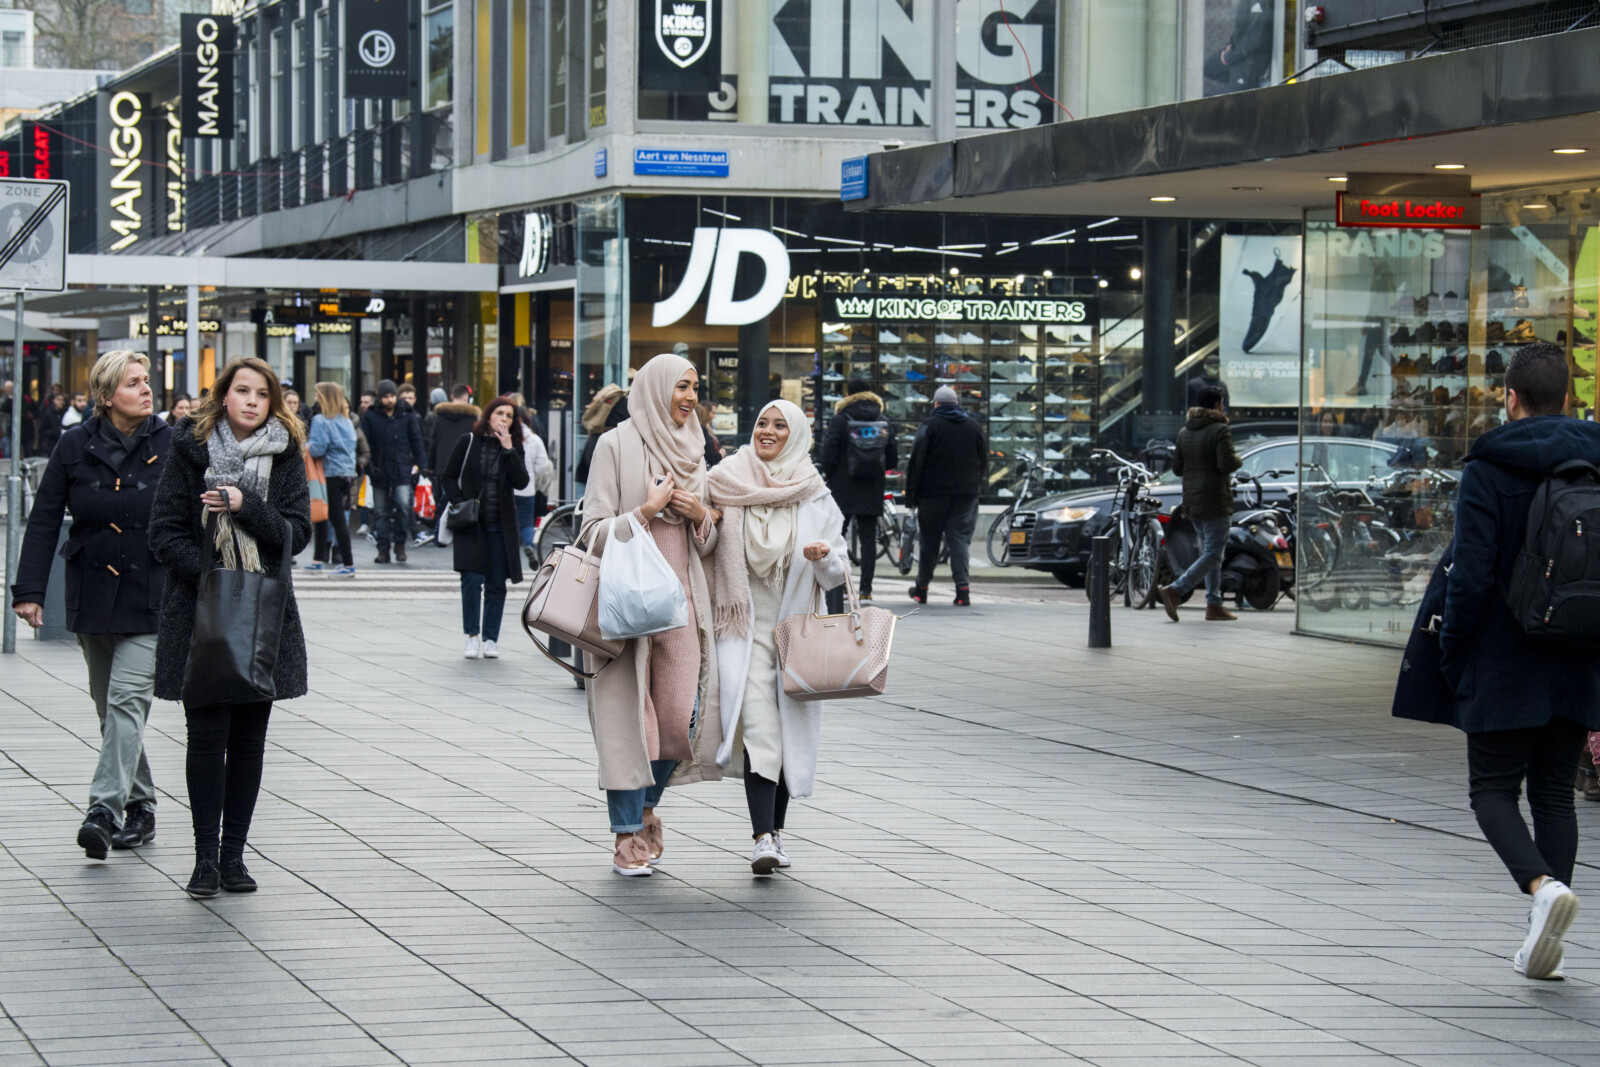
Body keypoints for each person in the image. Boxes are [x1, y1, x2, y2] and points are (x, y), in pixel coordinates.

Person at [1400, 342, 1600, 980]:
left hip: (1503, 653)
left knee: (1491, 790)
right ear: (1567, 397)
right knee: (1554, 792)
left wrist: (1452, 650)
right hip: (1579, 649)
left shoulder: (1490, 465)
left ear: (1510, 397)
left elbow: (1471, 574)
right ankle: (1546, 929)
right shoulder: (1595, 459)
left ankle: (1542, 889)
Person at [149, 356, 311, 898]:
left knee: (248, 741)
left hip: (264, 613)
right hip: (201, 613)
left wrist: (247, 507)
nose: (250, 402)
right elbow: (164, 531)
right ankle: (203, 860)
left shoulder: (286, 452)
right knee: (206, 736)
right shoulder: (189, 447)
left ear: (273, 402)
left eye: (261, 395)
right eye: (241, 391)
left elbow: (297, 533)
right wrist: (211, 579)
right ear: (224, 396)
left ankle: (234, 856)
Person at [10, 351, 170, 860]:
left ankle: (104, 810)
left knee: (126, 701)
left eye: (147, 381)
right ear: (105, 397)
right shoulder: (73, 445)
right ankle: (142, 806)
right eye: (133, 384)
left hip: (153, 596)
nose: (146, 390)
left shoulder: (175, 444)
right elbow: (43, 520)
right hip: (92, 591)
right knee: (110, 709)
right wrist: (29, 591)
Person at [577, 353, 724, 876]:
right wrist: (643, 511)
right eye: (681, 387)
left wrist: (698, 514)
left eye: (694, 387)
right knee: (627, 724)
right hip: (623, 606)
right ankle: (625, 837)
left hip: (680, 607)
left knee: (676, 717)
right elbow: (590, 529)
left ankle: (644, 809)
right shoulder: (614, 444)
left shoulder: (695, 450)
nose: (689, 397)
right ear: (656, 388)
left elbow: (708, 544)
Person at [709, 400, 848, 874]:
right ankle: (762, 837)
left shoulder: (814, 493)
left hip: (795, 634)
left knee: (788, 736)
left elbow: (837, 572)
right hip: (741, 629)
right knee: (762, 731)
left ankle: (776, 834)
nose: (767, 431)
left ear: (798, 435)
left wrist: (822, 555)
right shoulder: (726, 480)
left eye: (779, 425)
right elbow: (705, 543)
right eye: (761, 422)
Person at [441, 397, 530, 659]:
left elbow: (522, 482)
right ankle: (472, 637)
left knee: (496, 584)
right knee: (471, 580)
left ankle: (491, 639)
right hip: (471, 525)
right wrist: (461, 503)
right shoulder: (468, 441)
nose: (504, 419)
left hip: (501, 527)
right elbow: (447, 476)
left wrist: (508, 448)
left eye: (510, 416)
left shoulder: (514, 447)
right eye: (499, 413)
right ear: (488, 415)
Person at [1158, 385, 1243, 622]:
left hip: (1192, 501)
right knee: (1214, 555)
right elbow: (1226, 464)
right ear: (1217, 405)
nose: (1223, 406)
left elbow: (1176, 468)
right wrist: (1239, 459)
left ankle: (1213, 605)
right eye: (1222, 402)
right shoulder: (1220, 430)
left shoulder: (1185, 432)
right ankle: (1175, 590)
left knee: (1210, 552)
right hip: (1215, 500)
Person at [904, 385, 986, 606]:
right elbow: (983, 461)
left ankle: (922, 589)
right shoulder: (974, 426)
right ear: (957, 404)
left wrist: (911, 493)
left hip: (932, 494)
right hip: (965, 494)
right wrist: (974, 485)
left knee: (929, 541)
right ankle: (963, 590)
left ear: (936, 404)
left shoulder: (929, 426)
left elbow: (916, 461)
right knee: (959, 540)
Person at [820, 379, 897, 602]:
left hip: (843, 487)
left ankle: (841, 586)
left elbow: (828, 455)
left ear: (848, 394)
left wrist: (833, 475)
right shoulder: (883, 420)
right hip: (872, 486)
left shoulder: (841, 419)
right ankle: (866, 590)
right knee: (868, 539)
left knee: (837, 537)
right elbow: (891, 459)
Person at [359, 379, 424, 564]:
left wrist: (421, 465)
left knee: (404, 507)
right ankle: (383, 548)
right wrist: (369, 467)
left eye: (392, 396)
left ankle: (400, 544)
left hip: (402, 468)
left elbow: (416, 441)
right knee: (380, 512)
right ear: (380, 398)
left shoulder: (407, 414)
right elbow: (366, 443)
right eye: (386, 396)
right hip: (380, 469)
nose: (389, 400)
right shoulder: (371, 416)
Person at [304, 381, 358, 577]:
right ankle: (317, 560)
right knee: (325, 516)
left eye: (318, 394)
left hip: (330, 473)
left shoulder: (321, 420)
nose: (315, 397)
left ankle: (348, 564)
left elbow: (318, 449)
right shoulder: (347, 420)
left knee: (334, 518)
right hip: (347, 473)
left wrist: (306, 446)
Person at [510, 399, 554, 568]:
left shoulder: (508, 437)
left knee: (510, 522)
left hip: (510, 489)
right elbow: (543, 465)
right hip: (527, 488)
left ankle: (512, 553)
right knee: (527, 522)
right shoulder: (534, 439)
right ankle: (529, 544)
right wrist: (532, 476)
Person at [423, 384, 480, 479]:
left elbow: (433, 443)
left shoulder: (440, 417)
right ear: (466, 398)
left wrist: (430, 466)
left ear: (452, 396)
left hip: (443, 465)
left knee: (445, 493)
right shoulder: (473, 419)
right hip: (465, 466)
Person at [36, 391, 67, 456]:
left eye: (63, 400)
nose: (61, 402)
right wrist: (53, 432)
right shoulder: (48, 414)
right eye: (59, 400)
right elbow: (41, 430)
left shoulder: (66, 413)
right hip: (52, 444)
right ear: (54, 401)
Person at [698, 402, 724, 468]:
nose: (714, 416)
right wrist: (720, 455)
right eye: (713, 413)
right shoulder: (703, 429)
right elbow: (708, 454)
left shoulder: (707, 428)